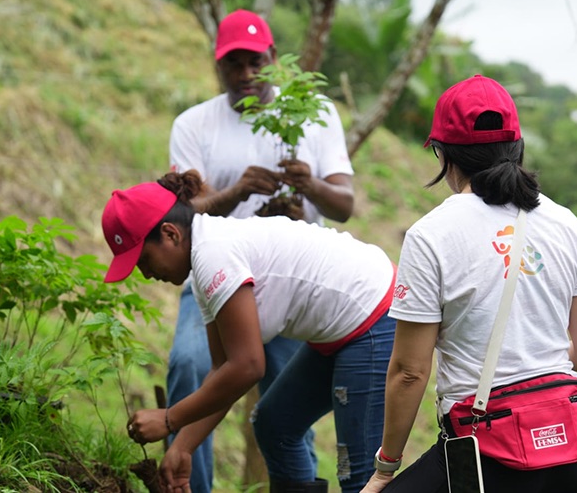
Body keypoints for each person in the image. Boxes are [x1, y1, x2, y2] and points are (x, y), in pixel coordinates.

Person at [360, 75, 577, 493]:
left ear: (443, 153)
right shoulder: (566, 222)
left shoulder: (432, 235)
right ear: (517, 147)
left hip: (490, 455)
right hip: (576, 452)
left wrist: (386, 467)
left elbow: (409, 371)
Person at [102, 171, 390, 493]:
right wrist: (182, 446)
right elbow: (223, 370)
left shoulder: (214, 254)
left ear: (170, 234)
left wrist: (170, 419)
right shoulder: (202, 266)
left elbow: (249, 366)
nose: (145, 274)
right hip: (342, 324)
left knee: (360, 475)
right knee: (274, 426)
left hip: (373, 315)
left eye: (143, 260)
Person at [165, 9, 355, 493]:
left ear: (273, 59)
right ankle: (190, 483)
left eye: (256, 63)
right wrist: (236, 192)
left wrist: (306, 185)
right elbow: (180, 216)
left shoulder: (313, 114)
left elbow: (344, 205)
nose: (247, 75)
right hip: (213, 279)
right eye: (234, 65)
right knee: (191, 366)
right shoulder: (194, 123)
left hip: (289, 284)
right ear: (218, 66)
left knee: (286, 407)